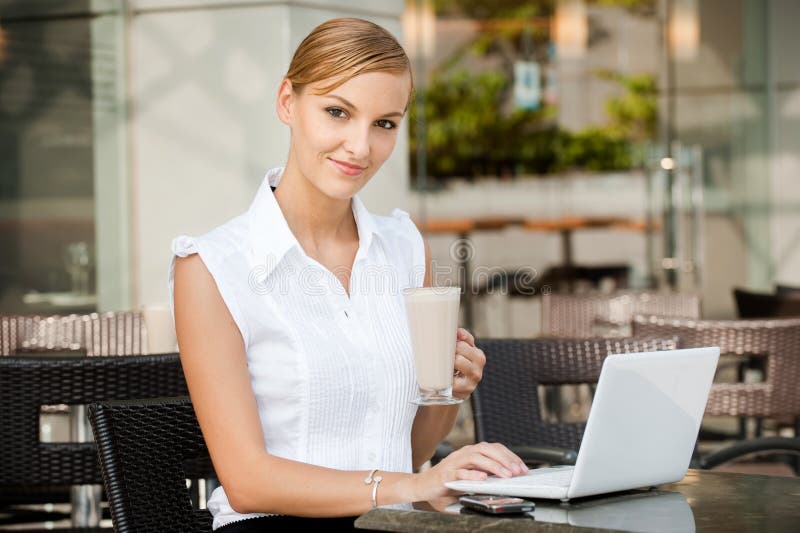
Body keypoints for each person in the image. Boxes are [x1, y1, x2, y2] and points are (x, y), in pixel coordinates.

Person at [170, 17, 526, 532]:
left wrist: (448, 393)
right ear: (288, 103)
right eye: (338, 112)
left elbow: (406, 450)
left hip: (388, 523)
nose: (360, 147)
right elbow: (247, 480)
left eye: (385, 123)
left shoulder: (404, 247)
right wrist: (413, 485)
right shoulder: (211, 267)